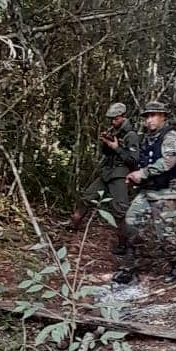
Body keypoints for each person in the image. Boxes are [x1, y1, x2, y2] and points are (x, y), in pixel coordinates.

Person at [114, 98, 176, 284]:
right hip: (148, 189)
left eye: (153, 116)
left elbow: (168, 162)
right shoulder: (148, 137)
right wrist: (134, 177)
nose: (149, 120)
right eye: (147, 117)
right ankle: (129, 267)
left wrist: (142, 174)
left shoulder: (171, 136)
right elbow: (144, 161)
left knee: (165, 234)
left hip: (166, 191)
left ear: (163, 117)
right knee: (131, 223)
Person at [69, 102, 140, 254]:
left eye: (115, 119)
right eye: (111, 119)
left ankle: (124, 244)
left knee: (120, 211)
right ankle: (74, 223)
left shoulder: (131, 135)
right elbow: (107, 154)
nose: (112, 122)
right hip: (107, 173)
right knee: (88, 196)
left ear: (123, 117)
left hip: (120, 175)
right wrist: (106, 143)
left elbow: (133, 160)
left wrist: (117, 147)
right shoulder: (115, 132)